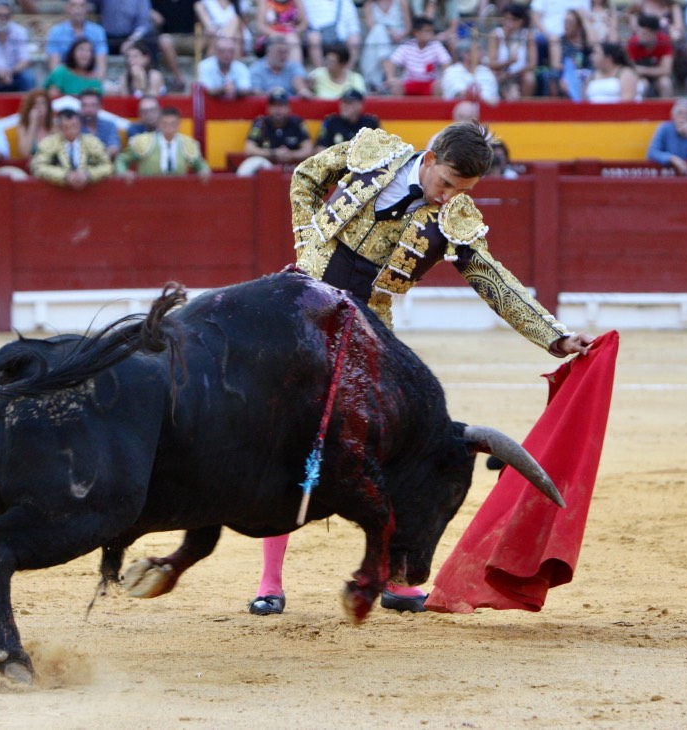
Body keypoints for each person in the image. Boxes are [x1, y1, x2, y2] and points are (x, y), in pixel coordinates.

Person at [248, 121, 595, 616]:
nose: (448, 197)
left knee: (394, 447)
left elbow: (491, 278)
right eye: (447, 183)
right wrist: (308, 241)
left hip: (369, 331)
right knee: (291, 437)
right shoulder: (375, 152)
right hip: (302, 311)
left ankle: (400, 574)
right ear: (429, 158)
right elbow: (306, 174)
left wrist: (555, 335)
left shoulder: (454, 216)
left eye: (464, 191)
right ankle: (270, 580)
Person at [115, 106, 211, 178]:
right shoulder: (144, 141)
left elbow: (199, 164)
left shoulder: (187, 143)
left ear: (179, 125)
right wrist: (123, 173)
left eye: (173, 124)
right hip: (147, 192)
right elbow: (121, 159)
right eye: (165, 123)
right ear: (159, 124)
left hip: (179, 193)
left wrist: (204, 171)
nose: (169, 127)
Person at [32, 106, 113, 188]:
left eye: (74, 126)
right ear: (59, 127)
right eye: (66, 127)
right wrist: (65, 176)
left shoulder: (92, 142)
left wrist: (88, 175)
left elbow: (108, 166)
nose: (71, 131)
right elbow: (38, 167)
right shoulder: (49, 143)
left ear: (80, 125)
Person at [382, 15, 452, 96]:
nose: (430, 34)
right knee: (396, 87)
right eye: (427, 31)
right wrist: (390, 78)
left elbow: (446, 62)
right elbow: (392, 62)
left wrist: (443, 79)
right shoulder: (407, 45)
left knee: (439, 87)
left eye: (431, 31)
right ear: (417, 33)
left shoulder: (436, 45)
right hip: (409, 83)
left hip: (429, 84)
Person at [242, 88, 313, 167]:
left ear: (288, 108)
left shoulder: (296, 122)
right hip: (266, 167)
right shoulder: (261, 122)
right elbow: (249, 149)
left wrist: (291, 155)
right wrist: (274, 153)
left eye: (281, 106)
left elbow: (308, 150)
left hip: (293, 169)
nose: (278, 110)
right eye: (274, 106)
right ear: (268, 108)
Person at [45, 0, 109, 80]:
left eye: (82, 6)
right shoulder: (56, 32)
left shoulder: (98, 31)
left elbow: (101, 65)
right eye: (73, 5)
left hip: (91, 81)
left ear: (87, 9)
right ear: (67, 9)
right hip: (64, 80)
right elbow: (54, 67)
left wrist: (96, 84)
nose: (77, 10)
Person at [487, 3, 538, 100]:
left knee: (529, 78)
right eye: (506, 19)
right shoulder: (496, 34)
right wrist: (509, 62)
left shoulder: (528, 35)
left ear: (521, 21)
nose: (509, 23)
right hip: (500, 73)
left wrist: (512, 74)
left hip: (519, 74)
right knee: (492, 75)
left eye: (513, 20)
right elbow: (492, 63)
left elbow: (532, 64)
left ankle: (525, 106)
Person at [359, 0, 411, 92]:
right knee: (379, 31)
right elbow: (372, 27)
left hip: (399, 42)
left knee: (380, 37)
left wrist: (400, 35)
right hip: (378, 42)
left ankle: (385, 81)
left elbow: (409, 27)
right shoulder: (369, 5)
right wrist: (390, 33)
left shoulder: (402, 2)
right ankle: (388, 78)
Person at [314, 87, 379, 152]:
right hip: (336, 161)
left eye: (349, 103)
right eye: (343, 102)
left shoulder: (370, 123)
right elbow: (319, 149)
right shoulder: (331, 122)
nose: (344, 106)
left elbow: (379, 148)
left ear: (359, 105)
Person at [302, 0, 363, 69]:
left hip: (341, 39)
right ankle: (320, 74)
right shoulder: (308, 1)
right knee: (313, 38)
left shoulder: (346, 2)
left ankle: (346, 74)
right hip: (318, 37)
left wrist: (349, 36)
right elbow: (305, 23)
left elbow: (354, 27)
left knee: (355, 40)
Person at [151, 0, 197, 92]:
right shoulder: (155, 2)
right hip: (171, 38)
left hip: (192, 38)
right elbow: (146, 9)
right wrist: (151, 12)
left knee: (213, 38)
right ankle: (179, 80)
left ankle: (211, 80)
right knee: (164, 40)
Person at [439, 37, 500, 103]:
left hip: (487, 110)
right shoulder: (452, 71)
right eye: (478, 49)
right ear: (465, 54)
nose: (482, 53)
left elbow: (492, 96)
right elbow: (457, 93)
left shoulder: (486, 71)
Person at [249, 32, 310, 97]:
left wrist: (302, 90)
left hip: (291, 105)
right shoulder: (256, 69)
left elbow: (299, 81)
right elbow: (255, 92)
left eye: (286, 52)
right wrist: (268, 95)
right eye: (280, 52)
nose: (283, 56)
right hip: (265, 105)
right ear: (268, 52)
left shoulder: (294, 66)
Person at [627, 13, 674, 97]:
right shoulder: (632, 43)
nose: (640, 36)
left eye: (644, 33)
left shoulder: (664, 41)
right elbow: (631, 69)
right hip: (640, 77)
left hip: (658, 77)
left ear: (654, 33)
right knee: (642, 85)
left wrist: (643, 70)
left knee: (665, 83)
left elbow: (666, 70)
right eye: (639, 32)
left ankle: (664, 109)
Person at [197, 34, 252, 98]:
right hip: (210, 106)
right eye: (222, 51)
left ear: (234, 53)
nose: (227, 54)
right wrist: (223, 90)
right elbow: (205, 90)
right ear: (216, 52)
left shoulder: (241, 68)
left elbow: (246, 89)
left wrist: (236, 91)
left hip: (235, 106)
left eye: (230, 51)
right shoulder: (204, 66)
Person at [255, 0, 307, 65]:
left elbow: (303, 24)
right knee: (277, 41)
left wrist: (294, 32)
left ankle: (296, 71)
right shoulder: (264, 1)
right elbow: (260, 26)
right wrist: (274, 34)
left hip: (291, 34)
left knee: (292, 40)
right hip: (270, 34)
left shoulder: (297, 1)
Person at [79, 87, 120, 158]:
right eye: (84, 105)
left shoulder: (109, 126)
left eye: (93, 105)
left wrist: (99, 158)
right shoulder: (75, 126)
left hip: (105, 163)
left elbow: (114, 147)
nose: (88, 109)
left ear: (100, 107)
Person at [16, 87, 54, 157]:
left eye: (43, 103)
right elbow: (24, 153)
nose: (39, 107)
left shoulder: (54, 126)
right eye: (35, 104)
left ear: (48, 107)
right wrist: (33, 124)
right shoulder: (23, 126)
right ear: (29, 108)